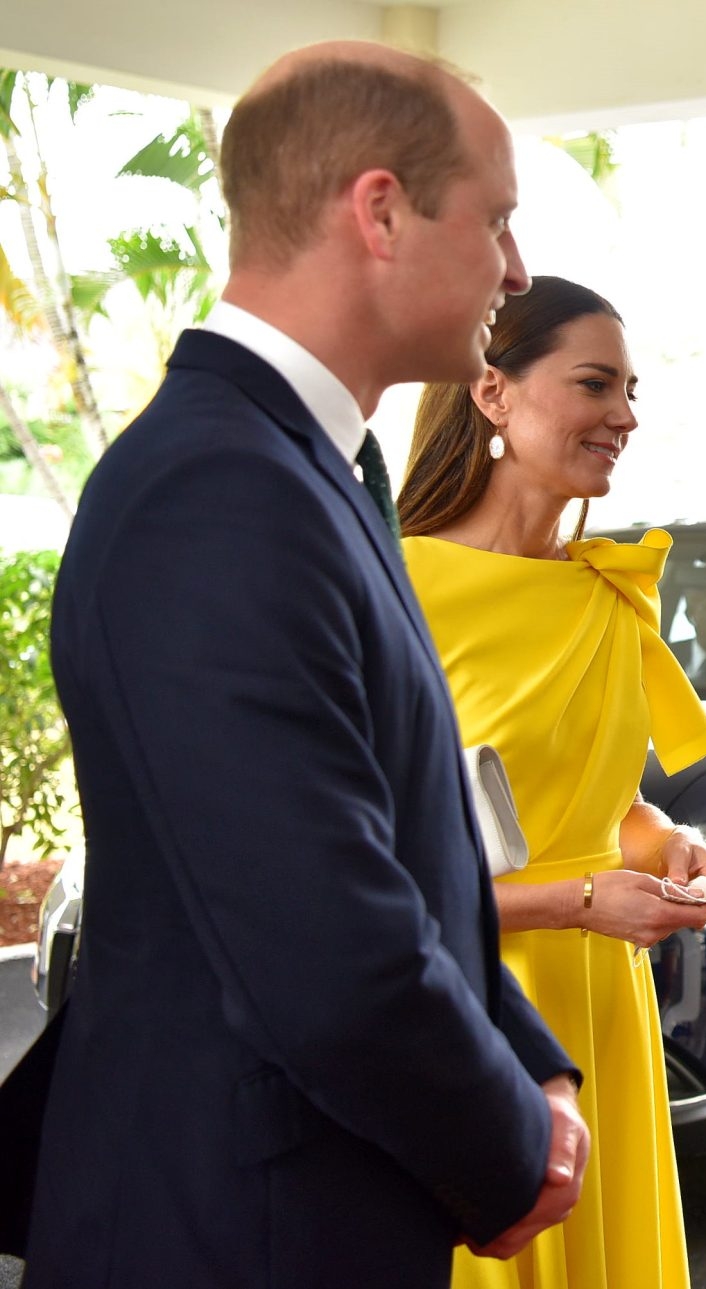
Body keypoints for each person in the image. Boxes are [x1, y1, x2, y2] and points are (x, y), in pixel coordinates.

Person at [0, 43, 589, 1286]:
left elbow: (397, 844)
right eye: (496, 222)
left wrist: (527, 1045)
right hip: (237, 1227)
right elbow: (325, 940)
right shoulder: (219, 491)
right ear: (379, 210)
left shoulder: (305, 468)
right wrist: (513, 1141)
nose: (517, 269)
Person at [398, 274, 706, 1289]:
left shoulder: (608, 591)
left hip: (606, 1010)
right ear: (492, 393)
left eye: (629, 389)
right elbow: (371, 883)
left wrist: (662, 841)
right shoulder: (402, 590)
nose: (624, 415)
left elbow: (596, 804)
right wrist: (581, 901)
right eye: (594, 384)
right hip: (471, 1005)